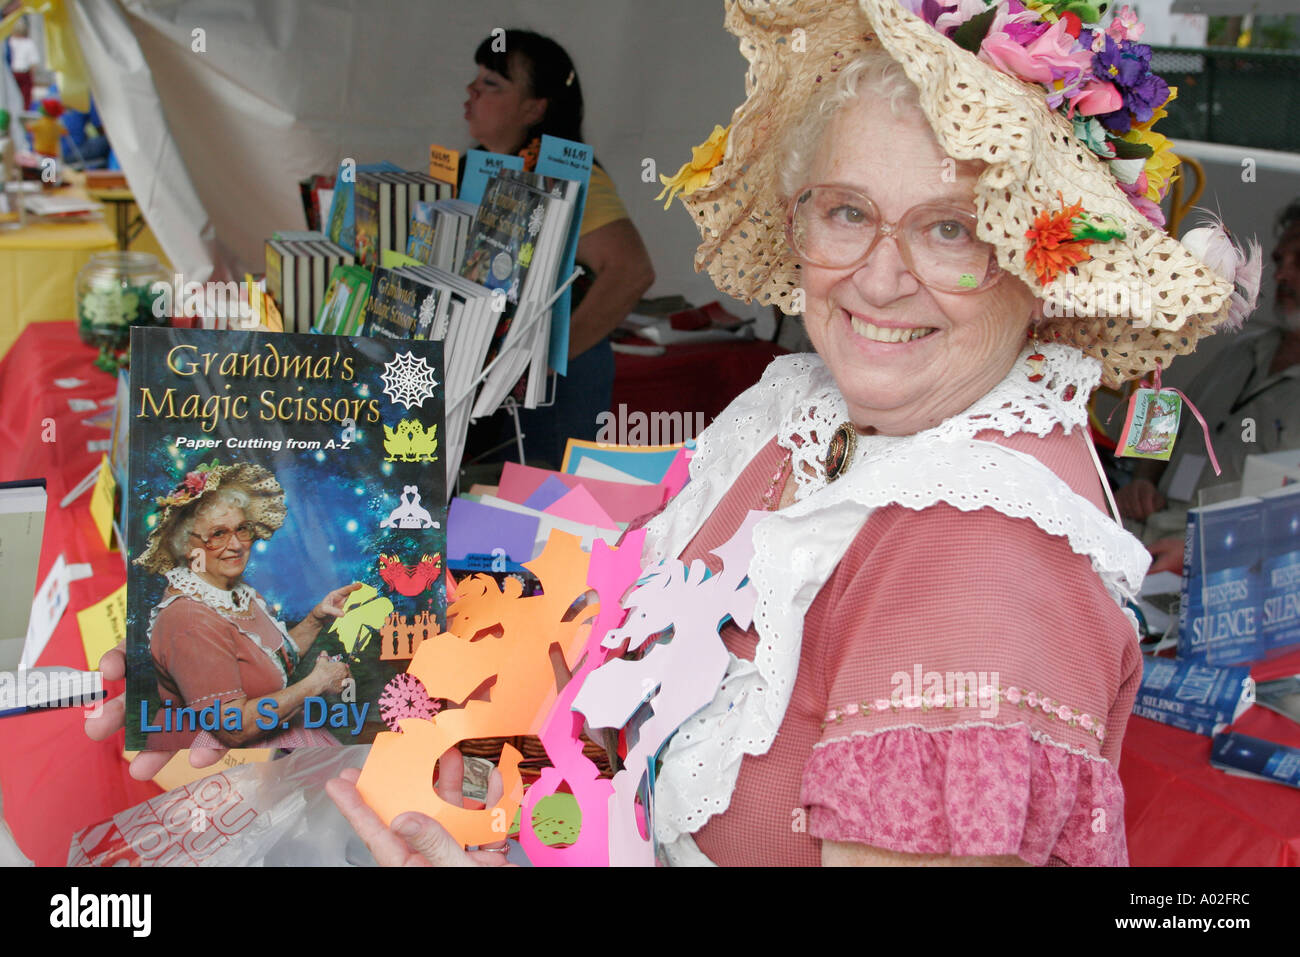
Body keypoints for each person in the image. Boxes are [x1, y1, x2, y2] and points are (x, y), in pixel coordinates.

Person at [94, 0, 1257, 865]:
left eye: (950, 227)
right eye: (847, 210)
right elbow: (596, 604)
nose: (880, 277)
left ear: (1039, 263)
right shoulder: (800, 411)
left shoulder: (986, 564)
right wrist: (280, 661)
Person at [459, 29, 655, 469]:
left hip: (554, 386)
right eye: (476, 79)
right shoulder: (478, 164)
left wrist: (551, 359)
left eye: (492, 84)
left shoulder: (565, 174)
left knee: (539, 508)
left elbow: (632, 270)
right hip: (498, 375)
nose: (472, 91)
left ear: (535, 107)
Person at [1117, 199, 1300, 572]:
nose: (1281, 276)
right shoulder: (1243, 350)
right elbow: (1163, 408)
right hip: (1138, 534)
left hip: (1223, 571)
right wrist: (1141, 478)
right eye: (1281, 261)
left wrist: (1202, 551)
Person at [131, 461, 358, 750]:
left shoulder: (240, 595)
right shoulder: (188, 620)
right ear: (187, 545)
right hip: (218, 767)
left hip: (272, 743)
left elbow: (270, 665)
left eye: (242, 529)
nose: (236, 545)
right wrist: (316, 683)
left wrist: (316, 618)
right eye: (218, 534)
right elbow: (233, 728)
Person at [6, 19, 38, 111]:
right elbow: (33, 62)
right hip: (24, 73)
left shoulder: (9, 42)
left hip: (12, 73)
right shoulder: (29, 43)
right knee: (25, 97)